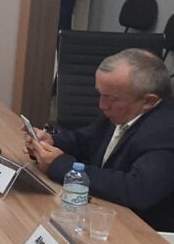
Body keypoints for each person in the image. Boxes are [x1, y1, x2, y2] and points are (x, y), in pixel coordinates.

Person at [26, 49, 174, 231]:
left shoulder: (166, 131)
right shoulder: (124, 110)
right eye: (100, 94)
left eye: (111, 98)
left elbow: (137, 190)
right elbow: (87, 140)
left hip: (142, 233)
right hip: (101, 217)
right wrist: (51, 142)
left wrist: (61, 166)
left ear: (148, 101)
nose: (102, 105)